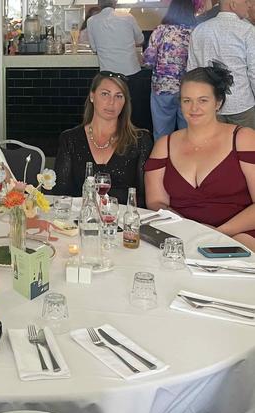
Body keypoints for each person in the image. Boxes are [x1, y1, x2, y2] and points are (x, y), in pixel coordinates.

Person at [145, 64, 255, 251]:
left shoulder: (243, 138)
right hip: (180, 236)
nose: (194, 108)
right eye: (187, 100)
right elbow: (156, 202)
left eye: (203, 100)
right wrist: (187, 230)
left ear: (218, 102)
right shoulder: (164, 144)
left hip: (239, 234)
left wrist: (216, 233)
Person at [51, 71, 154, 205]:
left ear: (125, 102)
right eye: (105, 94)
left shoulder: (140, 140)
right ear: (92, 96)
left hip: (123, 221)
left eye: (118, 96)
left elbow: (145, 197)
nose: (111, 102)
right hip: (80, 221)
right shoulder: (70, 139)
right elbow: (61, 193)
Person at [187, 0, 255, 129]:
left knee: (214, 147)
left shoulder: (199, 29)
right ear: (233, 5)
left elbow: (192, 71)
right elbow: (254, 72)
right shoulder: (248, 31)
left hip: (210, 104)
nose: (250, 5)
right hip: (241, 104)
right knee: (245, 145)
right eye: (246, 1)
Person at [143, 0, 196, 140]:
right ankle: (185, 161)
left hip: (162, 88)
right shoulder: (196, 31)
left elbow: (148, 60)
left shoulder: (161, 30)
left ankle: (162, 160)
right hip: (188, 89)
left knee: (162, 135)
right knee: (188, 134)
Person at [86, 0, 143, 78]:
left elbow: (94, 48)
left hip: (108, 72)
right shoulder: (128, 17)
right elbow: (140, 39)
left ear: (99, 4)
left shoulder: (91, 21)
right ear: (115, 2)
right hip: (131, 70)